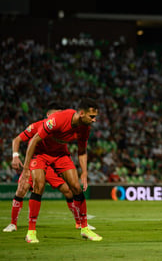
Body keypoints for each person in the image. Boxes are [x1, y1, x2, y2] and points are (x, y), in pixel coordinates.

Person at [3, 103, 95, 232]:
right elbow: (17, 140)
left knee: (69, 191)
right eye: (55, 113)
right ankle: (13, 223)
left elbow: (80, 148)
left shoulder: (64, 127)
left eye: (60, 113)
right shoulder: (38, 126)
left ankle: (80, 223)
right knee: (22, 189)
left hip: (55, 163)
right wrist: (15, 156)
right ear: (48, 115)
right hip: (38, 160)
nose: (57, 116)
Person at [20, 98, 102, 243]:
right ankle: (31, 232)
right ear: (82, 113)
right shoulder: (58, 120)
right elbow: (34, 141)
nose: (94, 120)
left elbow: (82, 150)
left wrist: (84, 172)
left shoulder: (85, 128)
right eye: (92, 116)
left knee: (76, 187)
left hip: (60, 155)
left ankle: (84, 229)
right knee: (38, 186)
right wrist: (26, 169)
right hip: (41, 154)